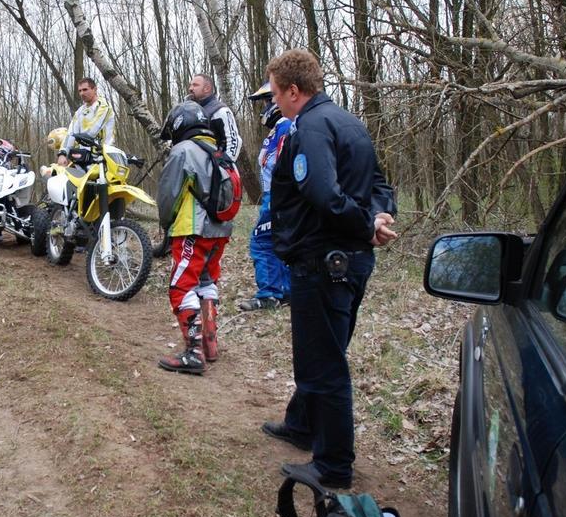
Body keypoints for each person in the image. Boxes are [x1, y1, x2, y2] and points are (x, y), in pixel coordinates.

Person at [261, 49, 398, 490]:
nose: (274, 103)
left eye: (277, 94)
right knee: (325, 351)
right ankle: (302, 425)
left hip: (324, 263)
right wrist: (378, 218)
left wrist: (364, 223)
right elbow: (380, 185)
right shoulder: (350, 122)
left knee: (324, 364)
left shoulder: (313, 127)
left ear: (294, 91)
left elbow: (323, 191)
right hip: (350, 260)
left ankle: (334, 465)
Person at [156, 101, 235, 375]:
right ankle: (210, 345)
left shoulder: (183, 151)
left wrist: (164, 224)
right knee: (206, 281)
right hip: (221, 231)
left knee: (181, 287)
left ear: (179, 124)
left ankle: (193, 352)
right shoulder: (218, 151)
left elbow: (168, 195)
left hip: (193, 228)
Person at [239, 82, 292, 310]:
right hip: (278, 195)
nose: (263, 108)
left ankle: (270, 294)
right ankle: (285, 291)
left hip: (280, 196)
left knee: (262, 242)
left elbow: (284, 163)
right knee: (279, 242)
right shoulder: (280, 127)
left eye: (266, 101)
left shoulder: (286, 126)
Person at [187, 73, 243, 163]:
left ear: (207, 88)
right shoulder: (191, 112)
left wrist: (225, 166)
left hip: (217, 169)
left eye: (195, 85)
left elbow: (234, 141)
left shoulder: (221, 110)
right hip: (198, 168)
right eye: (190, 85)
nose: (190, 89)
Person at [59, 77, 115, 164]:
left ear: (95, 89)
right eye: (80, 91)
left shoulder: (104, 107)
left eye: (85, 89)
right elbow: (71, 133)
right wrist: (63, 153)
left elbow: (91, 132)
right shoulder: (80, 111)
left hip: (103, 158)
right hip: (83, 157)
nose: (82, 93)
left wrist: (76, 140)